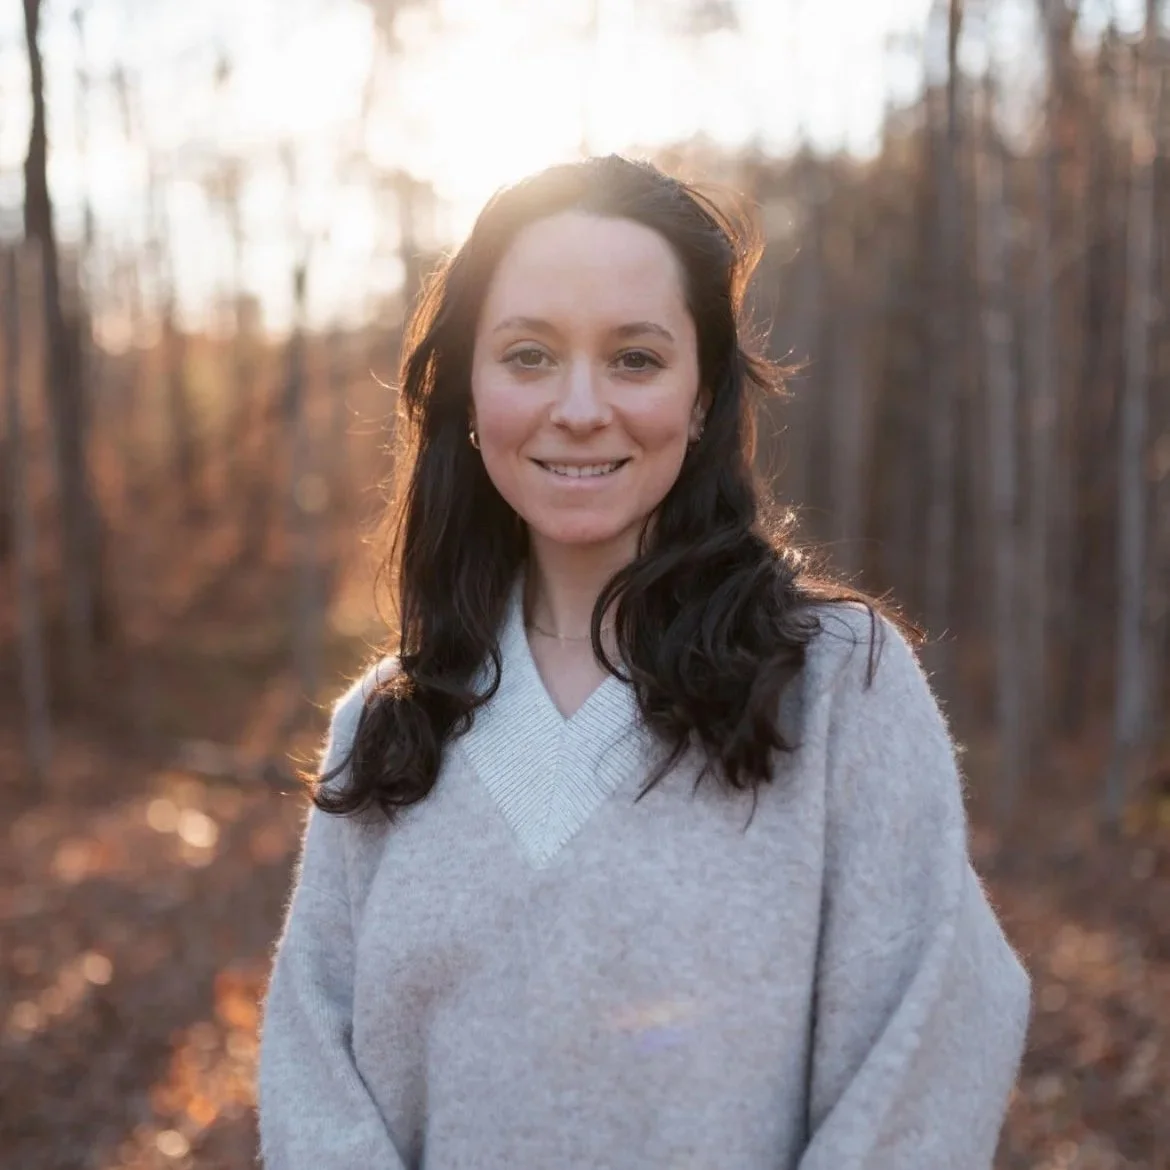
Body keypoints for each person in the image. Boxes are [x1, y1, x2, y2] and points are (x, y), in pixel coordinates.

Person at [257, 155, 1030, 1169]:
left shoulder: (839, 685)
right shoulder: (388, 725)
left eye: (635, 358)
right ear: (469, 393)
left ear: (703, 395)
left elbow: (932, 1042)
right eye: (530, 355)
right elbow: (313, 1080)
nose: (581, 406)